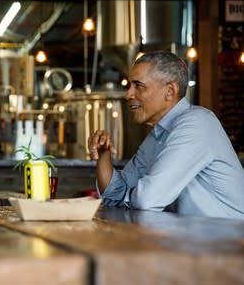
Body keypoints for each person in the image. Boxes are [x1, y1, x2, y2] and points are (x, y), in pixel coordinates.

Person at [88, 50, 244, 219]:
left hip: (230, 240)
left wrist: (129, 196)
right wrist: (103, 156)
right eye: (129, 86)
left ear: (170, 91)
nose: (128, 94)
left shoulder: (197, 123)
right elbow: (114, 196)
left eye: (138, 86)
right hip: (193, 240)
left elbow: (147, 199)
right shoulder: (157, 135)